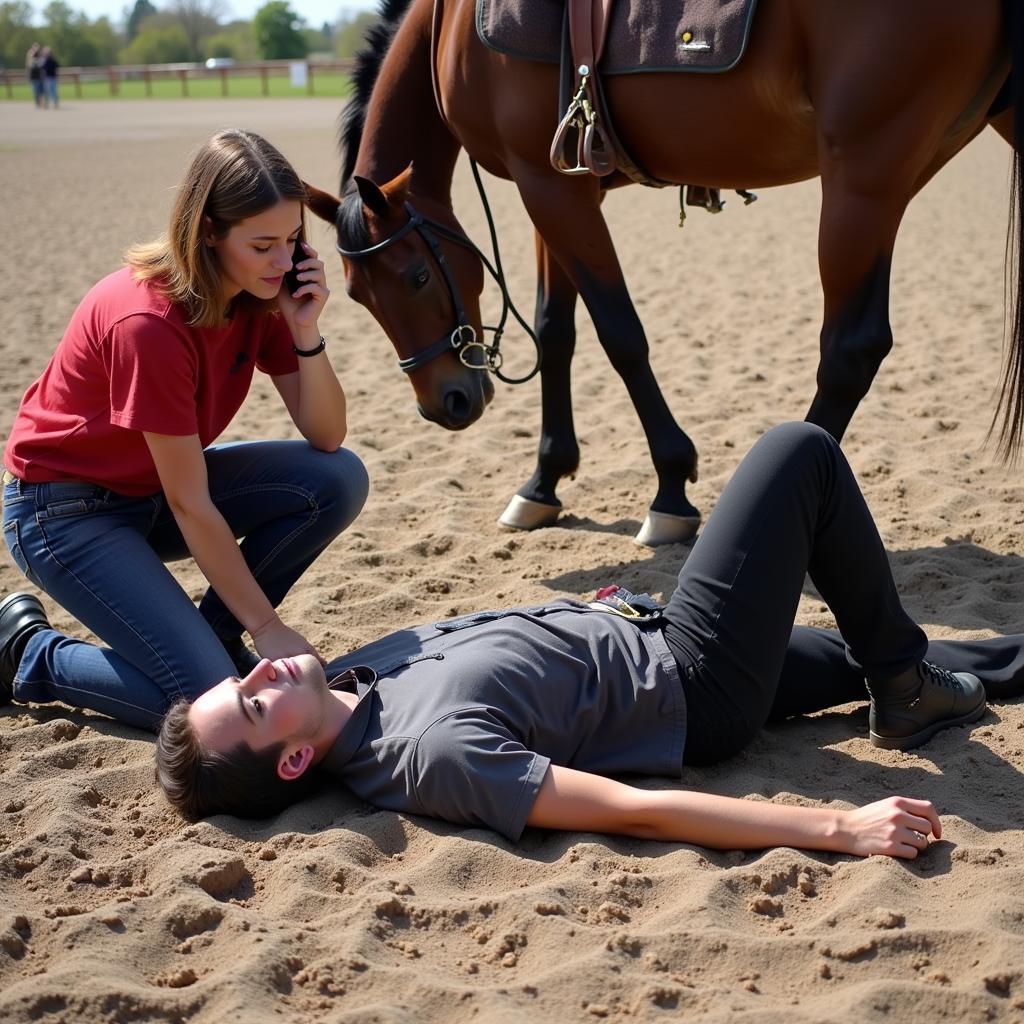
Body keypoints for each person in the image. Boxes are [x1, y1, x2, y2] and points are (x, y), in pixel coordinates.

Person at [139, 422, 1024, 859]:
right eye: (255, 700)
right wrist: (839, 825)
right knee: (798, 454)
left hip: (653, 645)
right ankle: (906, 696)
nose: (260, 668)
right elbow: (627, 809)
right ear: (292, 763)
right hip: (693, 679)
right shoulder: (429, 755)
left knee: (906, 655)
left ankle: (912, 680)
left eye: (243, 676)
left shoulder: (354, 680)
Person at [0, 129, 369, 732]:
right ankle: (27, 653)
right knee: (213, 710)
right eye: (262, 244)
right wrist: (269, 628)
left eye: (294, 239)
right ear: (208, 236)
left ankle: (215, 639)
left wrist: (305, 329)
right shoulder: (147, 322)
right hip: (64, 512)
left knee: (336, 479)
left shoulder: (262, 293)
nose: (284, 260)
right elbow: (190, 502)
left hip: (154, 492)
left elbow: (327, 437)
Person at [26, 43, 43, 109]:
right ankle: (37, 104)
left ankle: (41, 104)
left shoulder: (40, 55)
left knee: (41, 91)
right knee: (36, 92)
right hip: (34, 77)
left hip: (40, 77)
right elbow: (29, 65)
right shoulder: (31, 56)